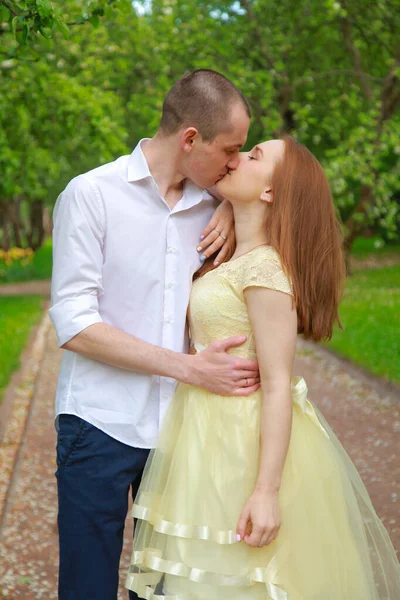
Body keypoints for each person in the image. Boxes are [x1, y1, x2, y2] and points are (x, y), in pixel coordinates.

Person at [125, 136, 400, 599]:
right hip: (202, 436)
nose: (237, 157)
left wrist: (266, 491)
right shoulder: (231, 256)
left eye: (253, 157)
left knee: (237, 577)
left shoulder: (267, 272)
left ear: (272, 192)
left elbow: (277, 386)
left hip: (240, 444)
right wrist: (229, 209)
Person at [49, 69, 262, 600]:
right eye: (230, 150)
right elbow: (75, 322)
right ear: (191, 139)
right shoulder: (91, 195)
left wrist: (235, 208)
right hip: (96, 423)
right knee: (88, 587)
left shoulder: (212, 211)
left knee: (167, 589)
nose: (236, 162)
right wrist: (188, 367)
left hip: (180, 435)